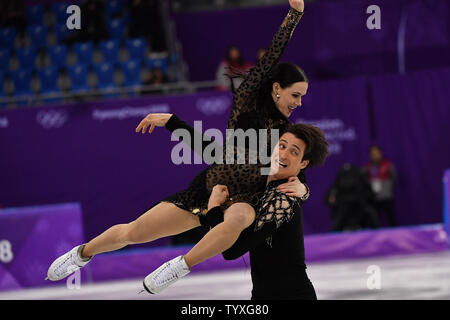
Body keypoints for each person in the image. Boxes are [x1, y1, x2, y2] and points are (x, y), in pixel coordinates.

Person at [45, 0, 309, 285]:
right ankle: (82, 254)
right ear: (276, 88)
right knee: (133, 232)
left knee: (238, 218)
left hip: (243, 201)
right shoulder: (246, 99)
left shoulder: (286, 132)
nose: (299, 103)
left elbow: (293, 169)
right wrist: (294, 15)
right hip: (207, 190)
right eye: (296, 95)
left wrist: (303, 188)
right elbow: (270, 57)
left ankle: (179, 266)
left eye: (302, 97)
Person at [143, 123, 329, 298]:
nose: (283, 154)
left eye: (294, 152)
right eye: (282, 145)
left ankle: (180, 266)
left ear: (303, 163)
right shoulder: (264, 181)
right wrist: (172, 122)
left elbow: (232, 251)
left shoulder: (283, 197)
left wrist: (214, 208)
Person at [326, 163, 380, 231]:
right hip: (343, 206)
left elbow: (369, 193)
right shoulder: (338, 183)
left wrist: (364, 198)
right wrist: (331, 197)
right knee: (337, 220)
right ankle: (334, 239)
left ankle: (379, 236)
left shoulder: (360, 180)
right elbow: (330, 195)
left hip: (359, 204)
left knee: (371, 212)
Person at [363, 145, 397, 227]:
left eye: (377, 153)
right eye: (373, 154)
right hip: (374, 197)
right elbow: (365, 180)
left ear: (380, 153)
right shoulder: (368, 167)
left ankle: (395, 235)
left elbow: (394, 178)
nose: (375, 155)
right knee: (374, 220)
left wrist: (387, 187)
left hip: (386, 196)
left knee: (391, 218)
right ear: (370, 155)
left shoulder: (387, 164)